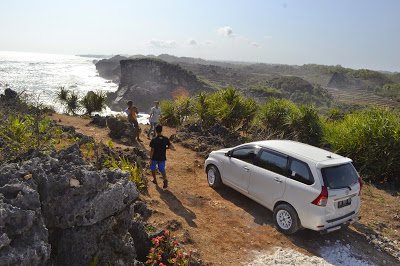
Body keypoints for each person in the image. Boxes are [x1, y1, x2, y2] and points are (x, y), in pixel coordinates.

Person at [149, 124, 175, 189]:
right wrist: (165, 148)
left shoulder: (154, 140)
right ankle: (165, 179)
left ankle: (155, 180)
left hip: (154, 157)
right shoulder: (165, 139)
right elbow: (171, 146)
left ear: (156, 130)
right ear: (161, 130)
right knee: (162, 169)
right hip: (162, 157)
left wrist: (150, 158)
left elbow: (152, 150)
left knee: (153, 168)